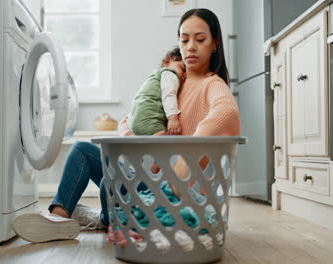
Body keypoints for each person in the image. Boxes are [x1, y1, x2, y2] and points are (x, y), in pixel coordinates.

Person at [13, 8, 240, 246]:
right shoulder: (173, 81)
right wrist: (130, 134)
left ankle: (103, 218)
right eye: (184, 39)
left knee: (109, 183)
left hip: (177, 192)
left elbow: (227, 111)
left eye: (200, 39)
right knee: (81, 150)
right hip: (148, 180)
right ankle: (57, 219)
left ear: (214, 43)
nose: (190, 46)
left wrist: (186, 160)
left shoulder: (212, 84)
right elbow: (130, 118)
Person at [128, 47, 185, 135]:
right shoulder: (170, 73)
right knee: (167, 145)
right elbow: (169, 95)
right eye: (182, 68)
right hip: (149, 120)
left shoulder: (154, 76)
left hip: (134, 120)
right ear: (167, 62)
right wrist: (173, 119)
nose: (184, 75)